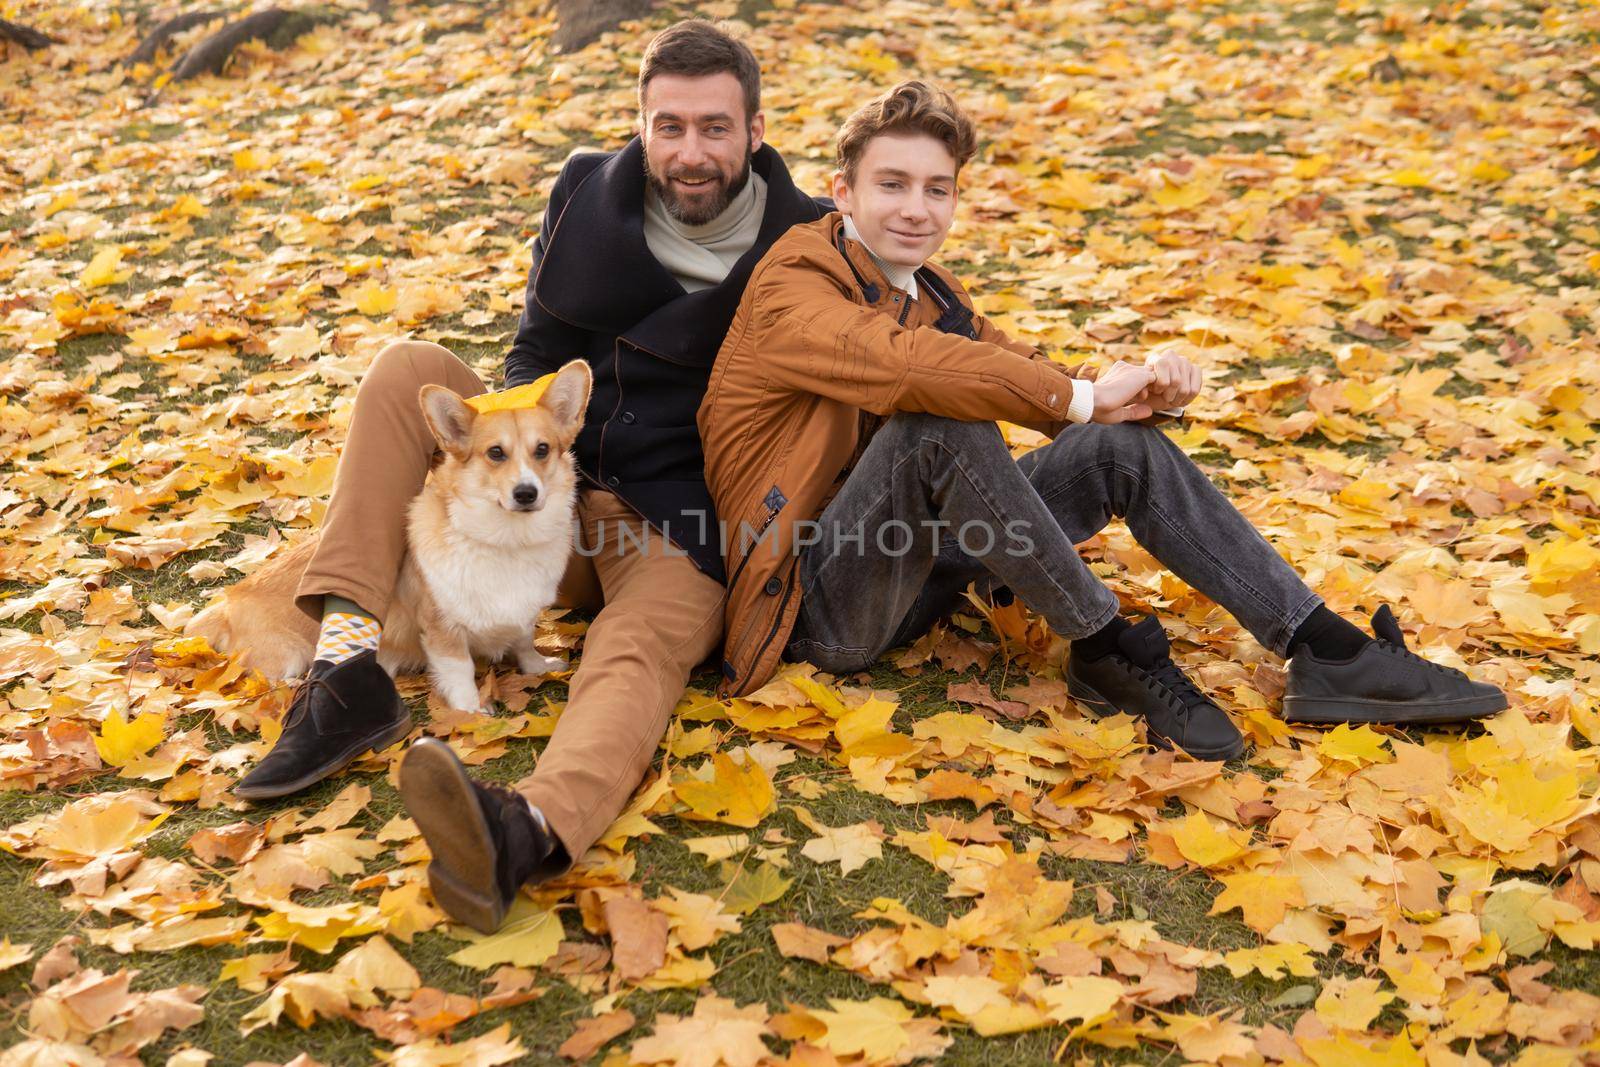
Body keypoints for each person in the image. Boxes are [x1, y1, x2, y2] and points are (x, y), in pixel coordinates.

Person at [696, 80, 1507, 762]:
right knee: (935, 422)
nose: (917, 208)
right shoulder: (794, 278)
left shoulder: (933, 292)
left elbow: (1022, 366)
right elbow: (910, 369)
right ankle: (1105, 645)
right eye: (892, 184)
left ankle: (1325, 647)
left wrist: (1126, 389)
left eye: (936, 188)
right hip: (816, 601)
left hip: (919, 571)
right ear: (843, 192)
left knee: (1114, 447)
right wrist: (1075, 398)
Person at [232, 19, 830, 933]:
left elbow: (898, 343)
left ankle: (525, 828)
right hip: (555, 475)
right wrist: (518, 451)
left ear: (755, 130)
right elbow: (537, 351)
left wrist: (1067, 396)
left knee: (634, 653)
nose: (691, 151)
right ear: (642, 126)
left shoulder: (808, 237)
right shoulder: (589, 188)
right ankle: (347, 670)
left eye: (715, 127)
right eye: (669, 126)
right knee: (405, 369)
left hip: (680, 518)